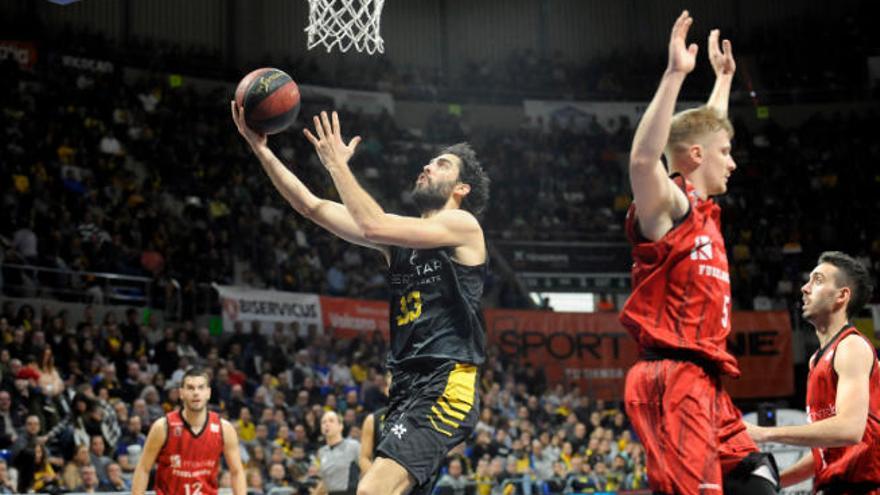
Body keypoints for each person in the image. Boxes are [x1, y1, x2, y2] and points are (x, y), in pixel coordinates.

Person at [232, 94, 490, 495]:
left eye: (441, 164)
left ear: (461, 188)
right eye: (430, 160)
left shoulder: (463, 224)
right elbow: (312, 207)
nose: (427, 165)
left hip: (446, 381)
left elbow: (372, 224)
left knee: (369, 491)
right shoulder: (398, 241)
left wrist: (336, 165)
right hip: (405, 387)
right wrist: (260, 149)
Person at [619, 11, 778, 495]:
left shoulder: (705, 209)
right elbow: (645, 160)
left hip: (707, 382)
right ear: (696, 158)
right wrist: (675, 75)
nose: (732, 160)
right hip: (673, 377)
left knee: (758, 476)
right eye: (726, 151)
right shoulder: (667, 206)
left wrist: (723, 80)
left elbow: (705, 132)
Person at [747, 252, 879, 493]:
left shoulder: (851, 347)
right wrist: (773, 483)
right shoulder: (815, 361)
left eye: (817, 280)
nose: (805, 288)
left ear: (842, 295)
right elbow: (824, 453)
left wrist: (764, 434)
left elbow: (849, 430)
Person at [131, 367, 247, 495]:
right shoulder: (162, 427)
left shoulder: (224, 428)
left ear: (208, 393)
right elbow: (143, 468)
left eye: (201, 387)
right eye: (190, 388)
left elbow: (237, 472)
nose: (196, 392)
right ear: (181, 393)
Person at [314, 411, 360, 495]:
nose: (326, 424)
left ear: (340, 426)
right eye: (323, 422)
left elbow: (367, 471)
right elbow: (324, 482)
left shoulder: (353, 445)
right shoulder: (321, 452)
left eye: (331, 421)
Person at [358, 372, 390, 476]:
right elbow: (364, 458)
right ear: (386, 389)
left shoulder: (417, 415)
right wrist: (377, 481)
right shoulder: (373, 419)